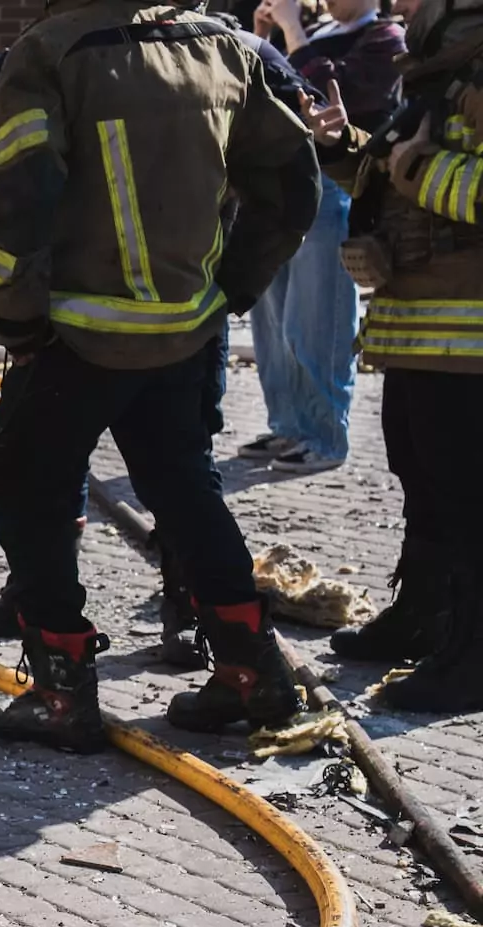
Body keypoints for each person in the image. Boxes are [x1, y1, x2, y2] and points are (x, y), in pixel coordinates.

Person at [0, 0, 323, 752]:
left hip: (74, 335)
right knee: (183, 489)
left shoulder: (52, 52)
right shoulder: (225, 48)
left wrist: (17, 315)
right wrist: (231, 286)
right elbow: (295, 184)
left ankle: (62, 691)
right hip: (184, 331)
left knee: (31, 498)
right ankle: (249, 669)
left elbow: (23, 193)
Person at [299, 0, 483, 711]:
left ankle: (470, 657)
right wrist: (348, 147)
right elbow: (402, 181)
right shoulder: (436, 70)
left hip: (469, 336)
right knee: (421, 474)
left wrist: (418, 168)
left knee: (468, 497)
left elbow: (431, 176)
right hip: (418, 327)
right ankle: (425, 618)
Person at [241, 0, 406, 471]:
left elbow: (321, 95)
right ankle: (288, 426)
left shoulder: (385, 39)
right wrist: (263, 39)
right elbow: (262, 95)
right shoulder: (315, 32)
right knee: (273, 324)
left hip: (334, 188)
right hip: (278, 187)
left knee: (316, 322)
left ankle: (325, 436)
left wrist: (292, 30)